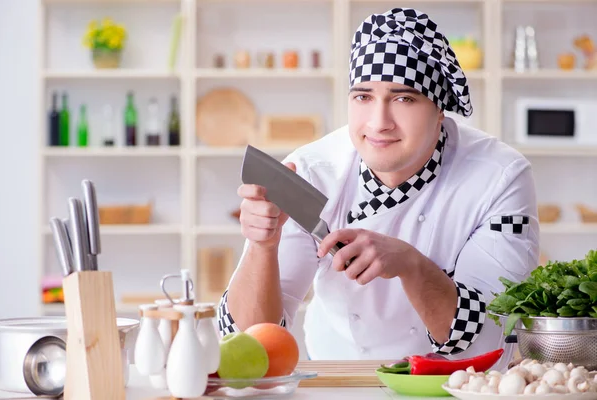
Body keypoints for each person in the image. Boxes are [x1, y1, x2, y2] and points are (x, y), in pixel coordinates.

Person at [216, 7, 539, 366]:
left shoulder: (498, 178)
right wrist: (263, 247)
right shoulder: (311, 172)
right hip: (337, 374)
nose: (378, 122)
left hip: (455, 381)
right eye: (363, 96)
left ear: (439, 111)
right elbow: (250, 344)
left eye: (403, 98)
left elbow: (490, 337)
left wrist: (411, 264)